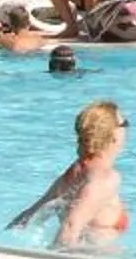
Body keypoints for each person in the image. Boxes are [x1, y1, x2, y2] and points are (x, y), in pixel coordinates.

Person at [7, 99, 129, 248]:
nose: (127, 129)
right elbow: (71, 226)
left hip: (81, 254)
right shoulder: (106, 180)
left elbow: (31, 217)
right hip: (95, 258)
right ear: (113, 135)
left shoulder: (76, 171)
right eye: (125, 124)